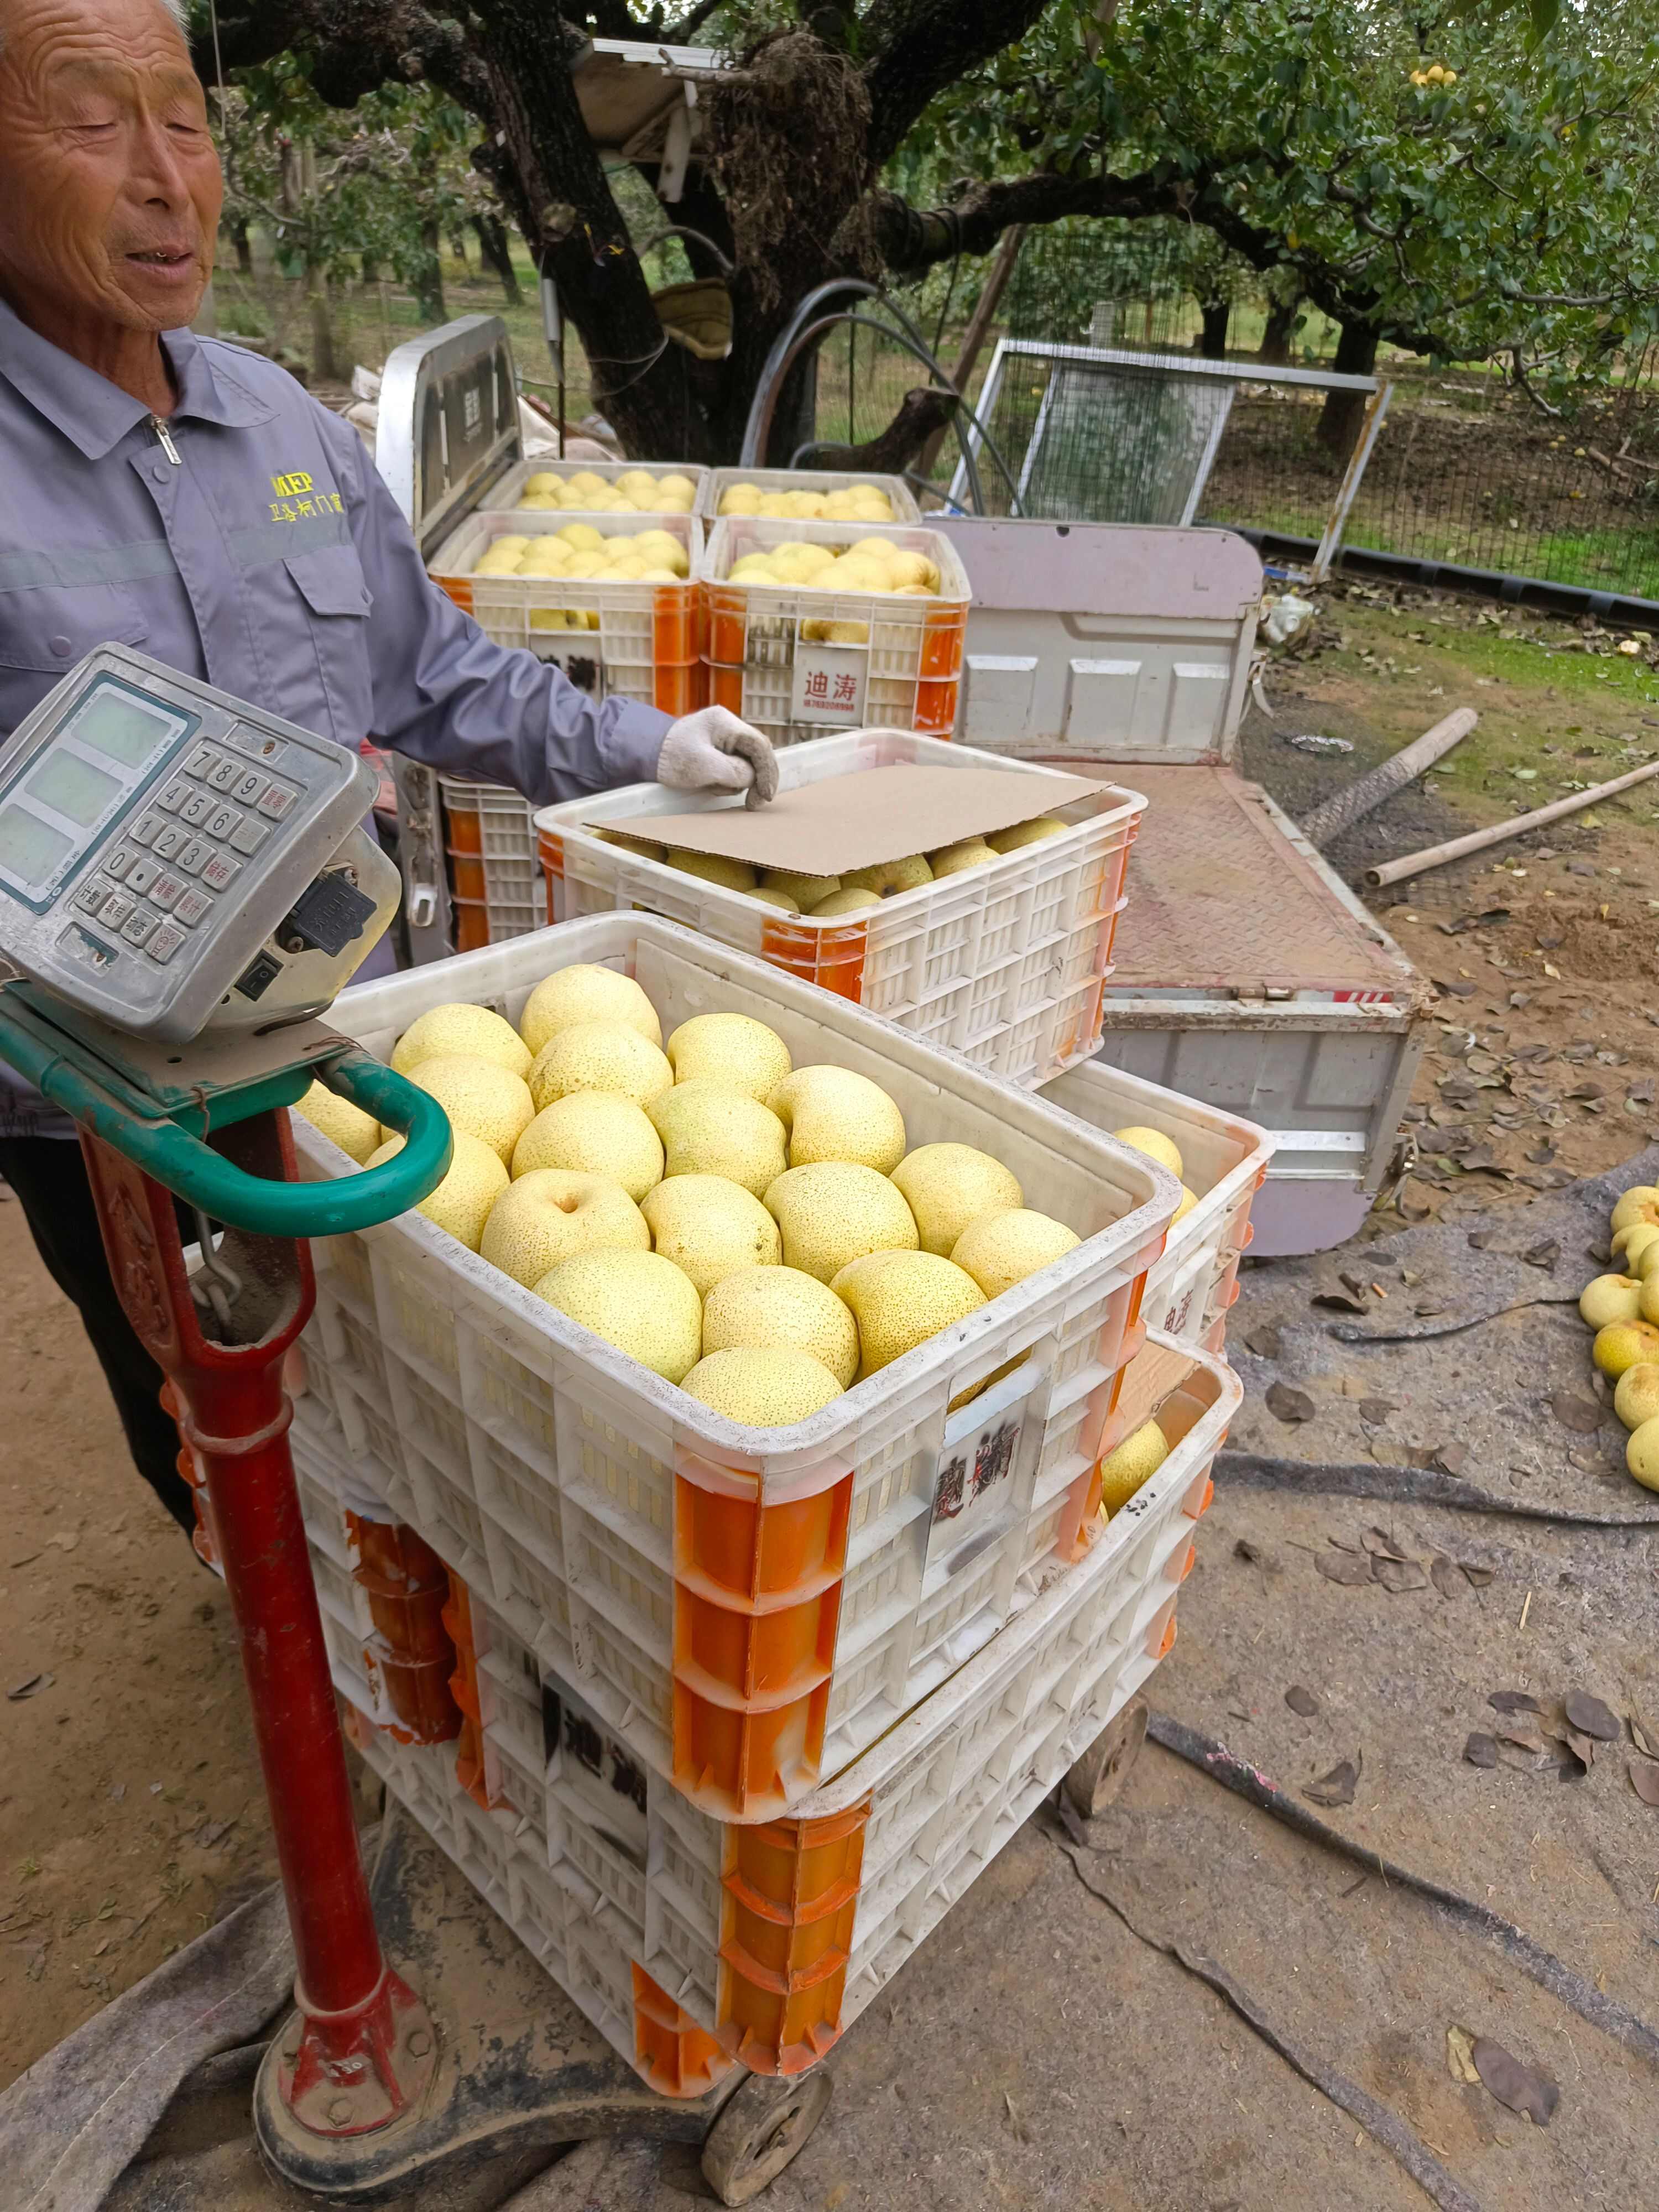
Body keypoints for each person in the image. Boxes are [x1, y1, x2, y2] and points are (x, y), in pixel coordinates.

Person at [0, 0, 776, 1534]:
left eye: (188, 122)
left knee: (395, 1403)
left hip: (352, 1048)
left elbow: (435, 674)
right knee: (208, 1423)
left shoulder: (284, 427)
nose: (166, 176)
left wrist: (648, 743)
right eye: (93, 121)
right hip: (108, 1118)